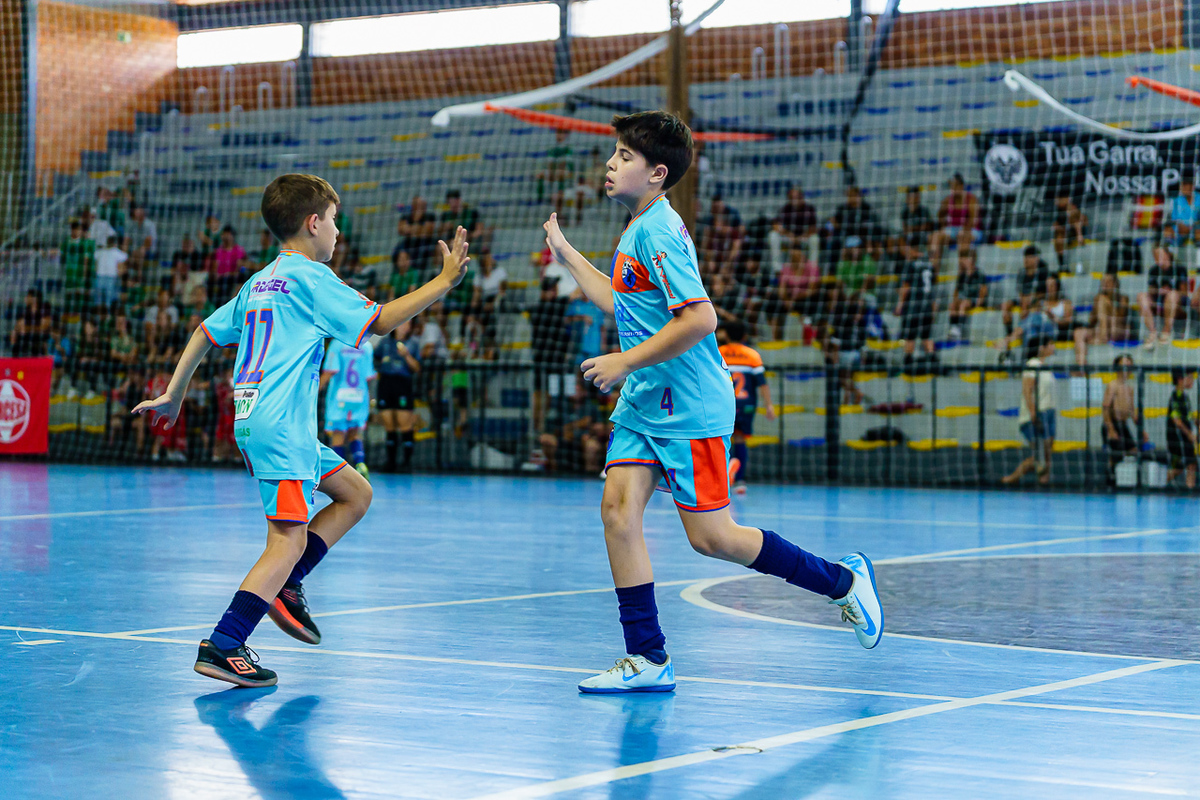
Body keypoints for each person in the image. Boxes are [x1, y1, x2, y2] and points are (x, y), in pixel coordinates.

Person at [542, 110, 883, 694]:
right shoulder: (637, 227)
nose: (610, 163)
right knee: (618, 513)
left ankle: (843, 582)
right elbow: (619, 302)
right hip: (645, 403)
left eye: (624, 156)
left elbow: (701, 318)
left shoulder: (657, 231)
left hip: (689, 406)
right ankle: (647, 657)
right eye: (615, 153)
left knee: (713, 538)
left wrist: (624, 362)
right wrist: (567, 252)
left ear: (657, 173)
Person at [133, 173, 470, 687]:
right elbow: (380, 321)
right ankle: (225, 643)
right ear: (313, 223)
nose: (338, 230)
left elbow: (205, 331)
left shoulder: (259, 281)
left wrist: (174, 392)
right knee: (286, 540)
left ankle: (286, 586)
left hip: (261, 420)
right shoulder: (312, 279)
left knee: (355, 494)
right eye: (334, 220)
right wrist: (443, 282)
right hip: (281, 427)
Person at [717, 321, 776, 496]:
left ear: (726, 335)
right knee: (740, 439)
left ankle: (721, 478)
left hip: (724, 404)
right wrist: (769, 405)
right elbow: (762, 383)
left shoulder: (719, 352)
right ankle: (740, 480)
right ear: (744, 336)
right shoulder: (752, 355)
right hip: (746, 405)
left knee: (721, 440)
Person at [1002, 336, 1057, 486]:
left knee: (1047, 453)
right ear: (1041, 348)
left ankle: (1043, 481)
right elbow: (1027, 390)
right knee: (1040, 456)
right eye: (1050, 344)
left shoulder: (1045, 366)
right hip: (1039, 413)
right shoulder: (1032, 365)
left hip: (1049, 411)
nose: (1053, 347)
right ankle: (1012, 478)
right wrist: (1033, 412)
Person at [321, 338, 376, 480]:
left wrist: (313, 392)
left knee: (338, 434)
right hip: (359, 395)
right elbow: (369, 376)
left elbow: (330, 371)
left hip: (340, 397)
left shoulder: (337, 344)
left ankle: (338, 473)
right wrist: (371, 399)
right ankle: (360, 464)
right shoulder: (367, 346)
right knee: (355, 433)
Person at [375, 321, 422, 471]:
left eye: (408, 324)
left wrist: (406, 355)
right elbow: (376, 358)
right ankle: (391, 462)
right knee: (389, 423)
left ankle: (407, 463)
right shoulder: (385, 342)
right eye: (402, 323)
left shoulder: (413, 343)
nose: (404, 326)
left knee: (404, 422)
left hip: (403, 383)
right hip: (386, 383)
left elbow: (417, 368)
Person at [1073, 273, 1131, 368]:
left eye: (1109, 281)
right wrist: (1097, 307)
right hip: (1103, 331)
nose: (1105, 284)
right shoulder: (1098, 298)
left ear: (1115, 284)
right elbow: (1092, 321)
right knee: (1078, 332)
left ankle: (1101, 338)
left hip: (1117, 329)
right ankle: (1081, 365)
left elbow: (1121, 316)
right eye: (1103, 282)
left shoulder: (1123, 298)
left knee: (1102, 301)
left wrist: (1107, 304)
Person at [1103, 354, 1146, 476]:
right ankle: (1111, 478)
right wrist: (1111, 429)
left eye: (1129, 362)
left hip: (1123, 424)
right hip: (1113, 423)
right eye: (1125, 362)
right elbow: (1105, 408)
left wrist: (1142, 431)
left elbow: (1132, 412)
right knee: (1116, 454)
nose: (1128, 365)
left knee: (1133, 450)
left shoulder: (1129, 388)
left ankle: (1124, 477)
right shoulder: (1112, 385)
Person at [895, 243, 938, 366]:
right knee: (927, 337)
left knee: (909, 337)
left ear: (914, 249)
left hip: (913, 307)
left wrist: (899, 306)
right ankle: (933, 362)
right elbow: (932, 289)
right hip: (927, 307)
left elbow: (906, 287)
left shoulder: (910, 265)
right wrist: (933, 309)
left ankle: (908, 364)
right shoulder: (930, 266)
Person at [1138, 244, 1186, 348]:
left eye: (1159, 255)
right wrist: (1158, 291)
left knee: (1172, 295)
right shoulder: (1153, 270)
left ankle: (1166, 331)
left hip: (1175, 304)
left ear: (1167, 254)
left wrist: (1170, 292)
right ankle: (1152, 332)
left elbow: (1184, 292)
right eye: (1155, 255)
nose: (1157, 258)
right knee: (1141, 296)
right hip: (1158, 302)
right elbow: (1151, 289)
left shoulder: (1179, 268)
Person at [929, 173, 980, 268]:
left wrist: (962, 231)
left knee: (963, 236)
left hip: (972, 230)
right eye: (952, 186)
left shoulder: (971, 199)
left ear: (962, 186)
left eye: (956, 186)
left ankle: (963, 270)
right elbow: (940, 216)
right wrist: (944, 227)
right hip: (953, 230)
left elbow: (973, 221)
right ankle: (933, 268)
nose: (953, 189)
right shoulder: (947, 200)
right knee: (935, 236)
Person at [1002, 245, 1050, 335]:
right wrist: (1023, 299)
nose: (1026, 260)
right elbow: (1019, 291)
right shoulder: (1022, 272)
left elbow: (1043, 293)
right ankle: (1009, 333)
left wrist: (1029, 299)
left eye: (1029, 257)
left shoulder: (1042, 272)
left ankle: (1022, 331)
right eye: (1025, 257)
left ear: (1035, 259)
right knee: (1005, 305)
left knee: (1026, 304)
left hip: (1037, 298)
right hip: (1024, 298)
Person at [1166, 367, 1197, 488]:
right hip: (1177, 438)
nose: (1192, 380)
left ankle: (1190, 489)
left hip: (1185, 438)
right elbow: (1177, 420)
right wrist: (1189, 434)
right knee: (1181, 466)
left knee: (1191, 464)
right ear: (1180, 379)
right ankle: (1160, 484)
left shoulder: (1185, 396)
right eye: (1189, 377)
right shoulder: (1176, 396)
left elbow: (1188, 417)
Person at [948, 247, 986, 341]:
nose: (963, 261)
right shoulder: (962, 275)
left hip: (973, 299)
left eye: (965, 258)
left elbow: (983, 289)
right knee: (953, 305)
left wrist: (980, 300)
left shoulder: (979, 273)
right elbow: (956, 290)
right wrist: (955, 299)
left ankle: (959, 329)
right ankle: (953, 328)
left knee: (963, 304)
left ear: (971, 260)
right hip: (963, 298)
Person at [1051, 194, 1088, 271]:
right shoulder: (1058, 211)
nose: (1057, 201)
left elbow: (1079, 223)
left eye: (1060, 199)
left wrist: (1079, 235)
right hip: (1065, 233)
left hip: (1076, 232)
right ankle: (1062, 266)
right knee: (1058, 240)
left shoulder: (1073, 209)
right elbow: (1056, 225)